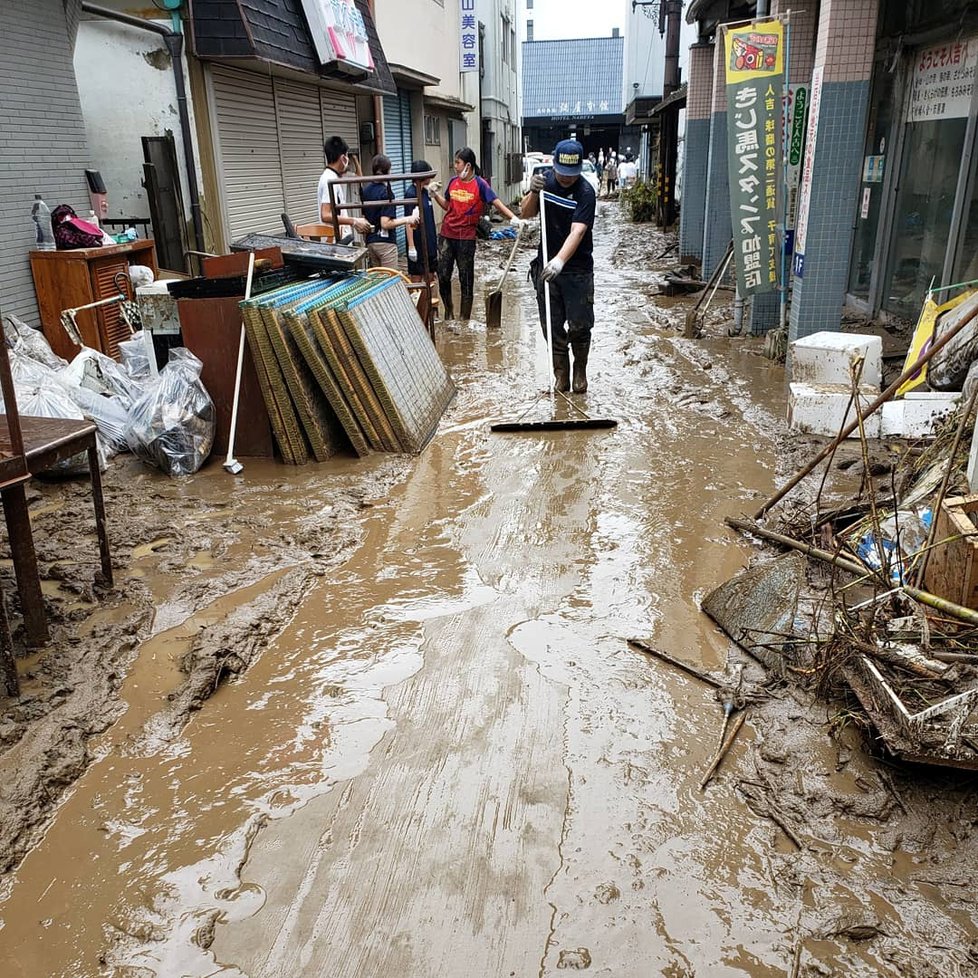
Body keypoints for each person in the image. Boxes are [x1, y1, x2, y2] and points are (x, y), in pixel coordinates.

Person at [520, 138, 596, 393]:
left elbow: (578, 231)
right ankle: (560, 375)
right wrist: (532, 192)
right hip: (545, 268)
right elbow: (526, 214)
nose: (565, 179)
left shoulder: (586, 193)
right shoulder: (546, 184)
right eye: (562, 173)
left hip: (577, 270)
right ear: (554, 166)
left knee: (580, 325)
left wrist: (560, 261)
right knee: (550, 325)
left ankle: (580, 372)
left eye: (571, 175)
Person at [430, 146, 521, 321]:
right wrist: (435, 195)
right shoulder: (453, 182)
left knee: (466, 281)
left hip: (466, 239)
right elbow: (448, 206)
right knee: (442, 276)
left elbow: (496, 202)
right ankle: (449, 312)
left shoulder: (480, 184)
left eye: (457, 162)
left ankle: (464, 320)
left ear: (468, 165)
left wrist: (513, 218)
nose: (455, 166)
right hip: (447, 234)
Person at [362, 154, 419, 268]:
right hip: (386, 242)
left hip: (370, 241)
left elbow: (364, 215)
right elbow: (385, 223)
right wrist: (407, 219)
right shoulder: (386, 192)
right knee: (390, 280)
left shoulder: (366, 190)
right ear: (387, 171)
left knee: (377, 280)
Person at [318, 135, 372, 239]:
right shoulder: (329, 179)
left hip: (339, 238)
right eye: (347, 156)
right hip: (335, 242)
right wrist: (354, 221)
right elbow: (325, 215)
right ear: (343, 158)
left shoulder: (333, 176)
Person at [405, 159, 439, 284]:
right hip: (418, 242)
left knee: (430, 278)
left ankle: (429, 303)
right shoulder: (411, 194)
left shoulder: (425, 191)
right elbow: (409, 222)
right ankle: (418, 304)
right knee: (417, 280)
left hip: (429, 243)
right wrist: (411, 246)